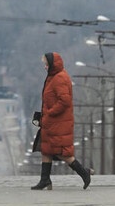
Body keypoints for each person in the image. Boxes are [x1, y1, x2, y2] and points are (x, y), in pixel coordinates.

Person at [31, 52, 93, 190]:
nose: (45, 67)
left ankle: (84, 173)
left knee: (62, 152)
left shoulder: (59, 78)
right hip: (51, 122)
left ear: (53, 65)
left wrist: (49, 113)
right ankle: (45, 180)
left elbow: (64, 101)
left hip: (58, 122)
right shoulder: (53, 77)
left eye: (46, 65)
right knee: (45, 150)